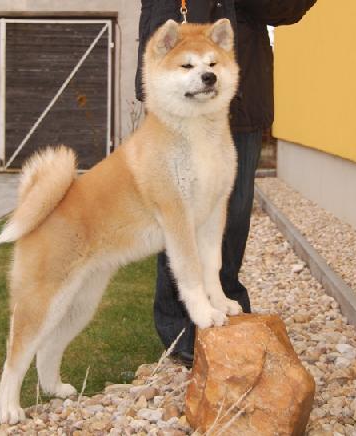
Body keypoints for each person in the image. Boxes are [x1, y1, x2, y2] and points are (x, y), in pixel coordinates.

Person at [135, 0, 316, 366]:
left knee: (233, 216)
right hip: (182, 103)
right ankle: (180, 329)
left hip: (240, 100)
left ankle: (226, 309)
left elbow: (284, 10)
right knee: (179, 214)